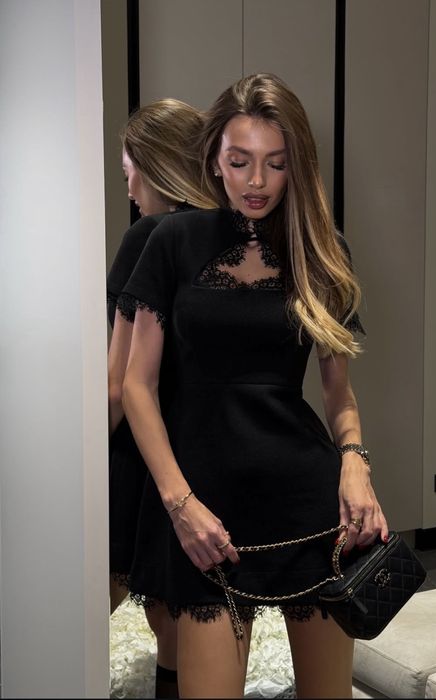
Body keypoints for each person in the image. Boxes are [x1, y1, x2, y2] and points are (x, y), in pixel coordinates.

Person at [119, 73, 389, 699]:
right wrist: (180, 505)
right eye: (240, 162)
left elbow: (339, 395)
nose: (257, 181)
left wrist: (354, 462)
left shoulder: (321, 252)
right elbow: (136, 386)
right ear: (214, 158)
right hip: (205, 515)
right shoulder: (171, 241)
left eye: (276, 163)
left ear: (298, 166)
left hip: (309, 509)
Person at [107, 98, 217, 698]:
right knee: (179, 609)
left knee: (95, 591)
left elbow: (117, 382)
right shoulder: (226, 237)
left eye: (130, 173)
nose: (129, 190)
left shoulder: (149, 236)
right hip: (197, 448)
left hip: (138, 451)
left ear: (156, 167)